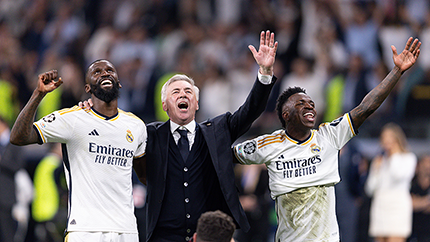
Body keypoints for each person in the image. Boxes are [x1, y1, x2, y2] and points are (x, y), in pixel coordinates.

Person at [233, 37, 421, 241]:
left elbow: (366, 107)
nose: (310, 106)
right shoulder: (269, 144)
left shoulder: (329, 135)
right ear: (285, 115)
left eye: (311, 103)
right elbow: (224, 156)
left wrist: (397, 72)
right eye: (300, 104)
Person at [133, 30, 278, 242]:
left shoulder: (217, 130)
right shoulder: (149, 134)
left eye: (188, 91)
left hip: (208, 238)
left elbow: (250, 111)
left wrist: (264, 73)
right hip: (163, 237)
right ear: (164, 105)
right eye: (175, 92)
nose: (183, 94)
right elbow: (116, 131)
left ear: (197, 103)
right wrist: (90, 110)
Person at [10, 59, 147, 242]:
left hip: (126, 230)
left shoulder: (136, 125)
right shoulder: (72, 119)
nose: (105, 73)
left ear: (119, 82)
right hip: (85, 230)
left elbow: (146, 176)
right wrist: (38, 94)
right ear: (88, 88)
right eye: (97, 72)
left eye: (110, 70)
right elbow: (18, 137)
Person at [365, 123, 417, 242]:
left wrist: (393, 155)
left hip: (397, 208)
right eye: (384, 138)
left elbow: (398, 175)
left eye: (390, 137)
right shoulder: (379, 160)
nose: (386, 141)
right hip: (380, 207)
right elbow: (370, 189)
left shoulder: (408, 158)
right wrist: (376, 170)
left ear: (397, 139)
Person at [0, 116, 26, 242]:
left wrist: (2, 161)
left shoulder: (13, 142)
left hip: (6, 198)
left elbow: (18, 166)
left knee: (7, 233)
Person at [409, 154, 430, 242]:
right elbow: (408, 204)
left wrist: (418, 202)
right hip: (412, 230)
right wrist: (427, 201)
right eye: (424, 163)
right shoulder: (410, 183)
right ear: (418, 166)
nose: (427, 166)